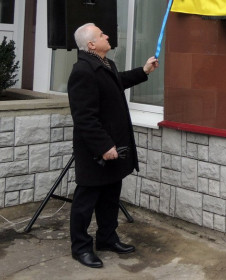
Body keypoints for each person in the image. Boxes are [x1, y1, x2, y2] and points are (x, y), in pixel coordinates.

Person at [67, 22, 159, 268]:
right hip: (96, 151)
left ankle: (107, 238)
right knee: (86, 201)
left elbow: (118, 81)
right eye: (101, 34)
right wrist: (103, 146)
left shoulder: (105, 64)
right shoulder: (82, 71)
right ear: (91, 44)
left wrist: (144, 71)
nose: (107, 36)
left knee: (110, 196)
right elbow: (84, 117)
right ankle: (81, 247)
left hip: (113, 146)